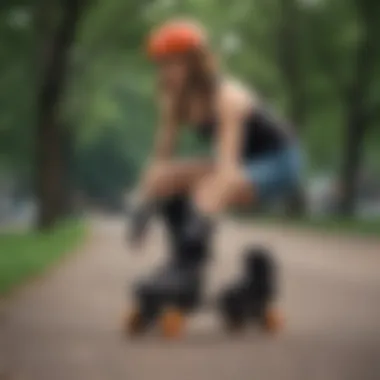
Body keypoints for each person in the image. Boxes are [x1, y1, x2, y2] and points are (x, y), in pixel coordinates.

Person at [129, 18, 302, 250]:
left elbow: (227, 170)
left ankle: (187, 268)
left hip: (279, 162)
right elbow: (161, 160)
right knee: (165, 177)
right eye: (161, 64)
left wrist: (203, 204)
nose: (164, 72)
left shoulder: (227, 97)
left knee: (210, 189)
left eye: (172, 63)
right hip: (244, 162)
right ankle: (179, 259)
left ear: (195, 62)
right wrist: (145, 201)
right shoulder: (174, 102)